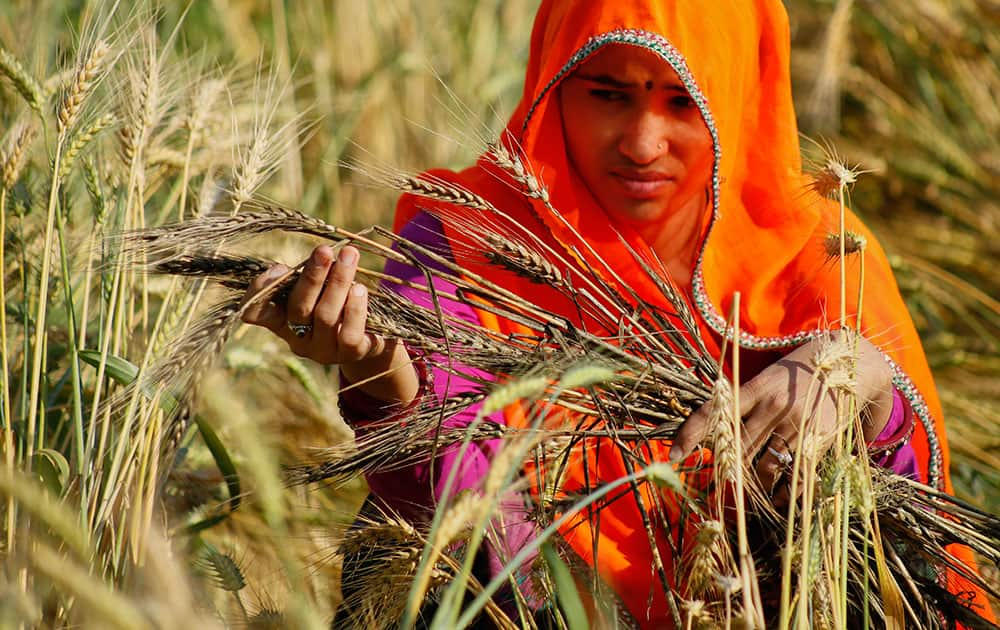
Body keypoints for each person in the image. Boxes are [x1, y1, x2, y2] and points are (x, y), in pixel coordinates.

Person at [242, 0, 994, 626]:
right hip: (525, 606)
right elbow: (462, 521)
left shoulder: (821, 256)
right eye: (606, 94)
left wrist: (859, 382)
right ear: (551, 85)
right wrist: (387, 379)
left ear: (735, 96)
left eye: (681, 101)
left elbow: (905, 531)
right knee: (394, 554)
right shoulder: (467, 234)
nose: (642, 144)